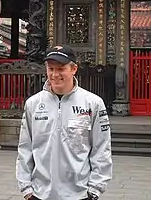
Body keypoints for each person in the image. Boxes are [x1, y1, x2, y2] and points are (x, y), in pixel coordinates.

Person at [16, 45, 112, 200]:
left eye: (61, 69)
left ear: (74, 69)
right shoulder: (33, 104)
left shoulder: (93, 103)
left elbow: (102, 148)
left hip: (80, 193)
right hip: (40, 193)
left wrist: (95, 190)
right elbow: (25, 148)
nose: (55, 74)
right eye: (51, 69)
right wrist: (26, 189)